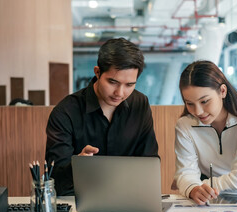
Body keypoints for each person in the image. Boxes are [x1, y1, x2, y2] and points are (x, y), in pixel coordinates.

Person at [45, 38, 159, 196]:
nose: (120, 93)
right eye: (113, 82)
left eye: (129, 85)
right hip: (80, 202)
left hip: (129, 199)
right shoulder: (66, 112)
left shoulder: (139, 104)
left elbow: (150, 162)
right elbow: (54, 181)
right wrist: (78, 166)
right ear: (97, 72)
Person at [173, 60, 237, 205]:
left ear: (222, 91)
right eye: (190, 104)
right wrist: (192, 189)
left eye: (204, 101)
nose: (198, 112)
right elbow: (185, 172)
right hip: (206, 196)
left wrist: (195, 186)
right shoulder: (184, 125)